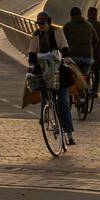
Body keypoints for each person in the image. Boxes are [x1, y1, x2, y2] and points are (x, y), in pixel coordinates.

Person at [27, 10, 76, 145]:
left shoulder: (57, 32)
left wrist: (64, 55)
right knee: (45, 96)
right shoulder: (36, 36)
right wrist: (31, 63)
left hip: (59, 70)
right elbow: (32, 51)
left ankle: (69, 133)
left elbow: (64, 46)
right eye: (39, 24)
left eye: (43, 23)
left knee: (63, 104)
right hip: (43, 70)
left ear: (48, 22)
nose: (40, 26)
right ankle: (45, 114)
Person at [62, 6, 97, 92]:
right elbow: (96, 39)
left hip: (73, 57)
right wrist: (90, 48)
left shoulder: (68, 25)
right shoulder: (89, 25)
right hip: (88, 57)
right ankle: (86, 90)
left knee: (73, 75)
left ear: (71, 16)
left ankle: (77, 92)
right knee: (85, 74)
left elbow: (62, 41)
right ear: (81, 15)